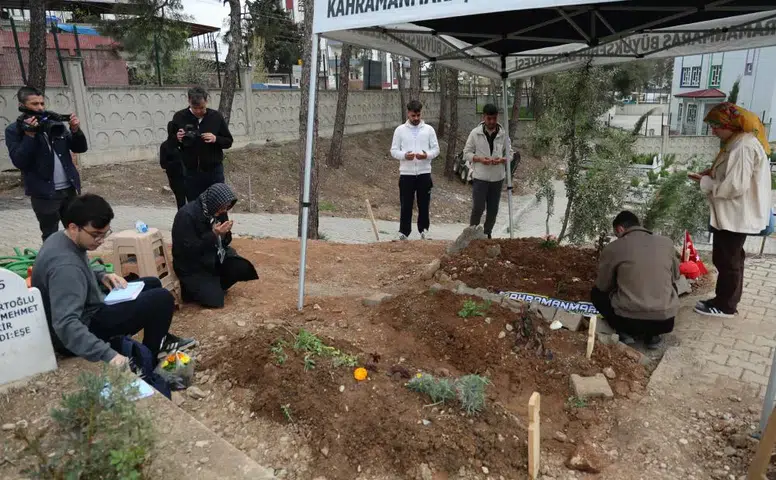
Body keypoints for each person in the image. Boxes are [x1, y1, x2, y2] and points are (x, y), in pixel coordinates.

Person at [31, 194, 196, 366]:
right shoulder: (66, 268)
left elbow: (81, 267)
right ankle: (148, 358)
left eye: (104, 234)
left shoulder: (61, 238)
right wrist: (108, 354)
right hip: (83, 328)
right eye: (96, 234)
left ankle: (160, 339)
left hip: (89, 305)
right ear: (74, 227)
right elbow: (66, 324)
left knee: (151, 283)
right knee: (161, 299)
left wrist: (102, 275)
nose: (101, 241)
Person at [689, 102, 772, 318]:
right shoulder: (738, 142)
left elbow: (735, 186)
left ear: (730, 124)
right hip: (734, 213)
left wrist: (706, 182)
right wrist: (712, 173)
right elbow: (733, 175)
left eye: (716, 126)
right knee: (731, 258)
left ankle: (725, 306)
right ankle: (725, 300)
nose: (713, 131)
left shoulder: (742, 147)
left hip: (736, 215)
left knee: (728, 261)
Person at [4, 86, 87, 242]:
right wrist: (29, 136)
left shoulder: (54, 123)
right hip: (44, 193)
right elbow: (19, 161)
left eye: (42, 103)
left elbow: (80, 148)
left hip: (69, 190)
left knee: (77, 234)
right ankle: (53, 258)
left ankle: (75, 258)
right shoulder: (14, 130)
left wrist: (76, 130)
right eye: (34, 104)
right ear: (22, 105)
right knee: (51, 236)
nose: (40, 107)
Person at [590, 211, 679, 349]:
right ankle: (653, 336)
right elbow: (675, 276)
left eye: (616, 234)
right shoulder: (666, 243)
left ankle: (624, 333)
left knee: (596, 294)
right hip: (665, 321)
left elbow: (603, 285)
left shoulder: (614, 247)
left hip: (628, 322)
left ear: (620, 229)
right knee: (672, 286)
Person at [171, 183, 258, 308]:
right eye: (222, 208)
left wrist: (225, 233)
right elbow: (189, 250)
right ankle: (194, 290)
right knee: (214, 301)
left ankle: (213, 284)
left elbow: (225, 242)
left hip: (213, 256)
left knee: (241, 267)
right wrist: (214, 234)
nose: (224, 211)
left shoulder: (218, 210)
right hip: (192, 265)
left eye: (226, 208)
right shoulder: (186, 215)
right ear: (214, 202)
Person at [168, 86, 233, 201]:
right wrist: (177, 138)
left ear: (206, 101)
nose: (198, 111)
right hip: (191, 172)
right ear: (189, 101)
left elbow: (228, 141)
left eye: (202, 108)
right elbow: (170, 144)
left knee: (218, 203)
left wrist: (216, 139)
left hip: (214, 171)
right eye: (195, 108)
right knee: (195, 205)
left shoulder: (216, 117)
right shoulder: (179, 117)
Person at [389, 100, 440, 240]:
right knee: (406, 204)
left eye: (418, 115)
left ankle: (424, 230)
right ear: (408, 114)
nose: (416, 118)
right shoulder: (400, 130)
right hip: (407, 173)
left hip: (424, 172)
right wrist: (404, 156)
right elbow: (394, 150)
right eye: (413, 116)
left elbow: (436, 149)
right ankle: (404, 232)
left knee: (424, 204)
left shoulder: (429, 130)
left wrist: (426, 155)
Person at [463, 103, 513, 239]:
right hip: (480, 177)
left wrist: (502, 160)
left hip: (497, 178)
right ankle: (472, 233)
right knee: (478, 207)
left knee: (493, 210)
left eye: (494, 118)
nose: (491, 122)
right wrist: (479, 159)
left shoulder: (503, 134)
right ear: (483, 117)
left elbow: (510, 154)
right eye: (489, 118)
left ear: (497, 117)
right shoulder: (475, 133)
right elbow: (466, 153)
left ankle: (487, 234)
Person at [160, 121, 187, 209]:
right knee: (181, 202)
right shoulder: (165, 146)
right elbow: (163, 164)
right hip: (176, 178)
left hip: (190, 177)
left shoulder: (186, 143)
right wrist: (176, 163)